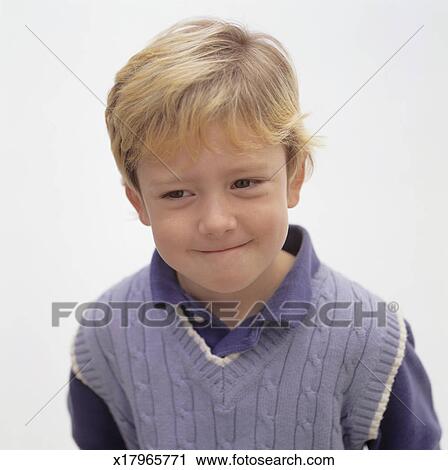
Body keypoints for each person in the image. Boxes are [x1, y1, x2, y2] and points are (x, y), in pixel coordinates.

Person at [67, 17, 442, 450]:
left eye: (243, 183)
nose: (216, 221)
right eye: (177, 193)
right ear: (139, 203)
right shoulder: (104, 340)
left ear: (295, 178)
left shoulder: (374, 341)